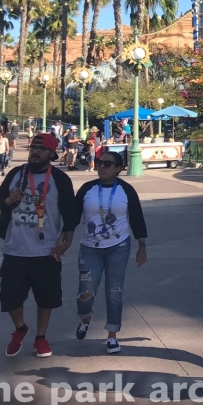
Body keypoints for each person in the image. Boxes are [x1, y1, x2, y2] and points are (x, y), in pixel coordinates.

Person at [0, 134, 79, 358]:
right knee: (10, 298)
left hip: (46, 250)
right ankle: (20, 328)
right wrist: (8, 201)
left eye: (41, 148)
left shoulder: (59, 179)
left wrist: (65, 240)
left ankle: (41, 338)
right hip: (15, 248)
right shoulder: (16, 174)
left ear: (52, 153)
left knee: (46, 298)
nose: (35, 152)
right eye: (33, 147)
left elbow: (70, 213)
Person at [73, 150, 147, 354]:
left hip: (119, 247)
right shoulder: (87, 189)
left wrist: (142, 246)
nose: (101, 167)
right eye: (99, 162)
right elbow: (73, 215)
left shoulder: (126, 190)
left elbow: (137, 218)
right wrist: (65, 237)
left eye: (107, 164)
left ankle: (112, 335)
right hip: (90, 248)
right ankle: (85, 318)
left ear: (118, 169)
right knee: (85, 292)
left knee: (114, 291)